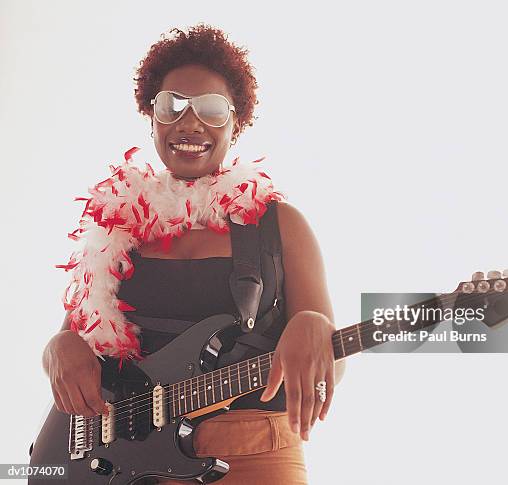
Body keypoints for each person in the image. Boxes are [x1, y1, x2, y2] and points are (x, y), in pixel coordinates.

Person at [41, 24, 346, 485]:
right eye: (172, 106)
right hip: (128, 463)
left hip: (253, 453)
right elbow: (78, 338)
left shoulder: (279, 226)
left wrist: (316, 327)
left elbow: (329, 364)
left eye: (211, 109)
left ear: (236, 123)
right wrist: (56, 348)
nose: (189, 123)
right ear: (152, 117)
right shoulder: (119, 226)